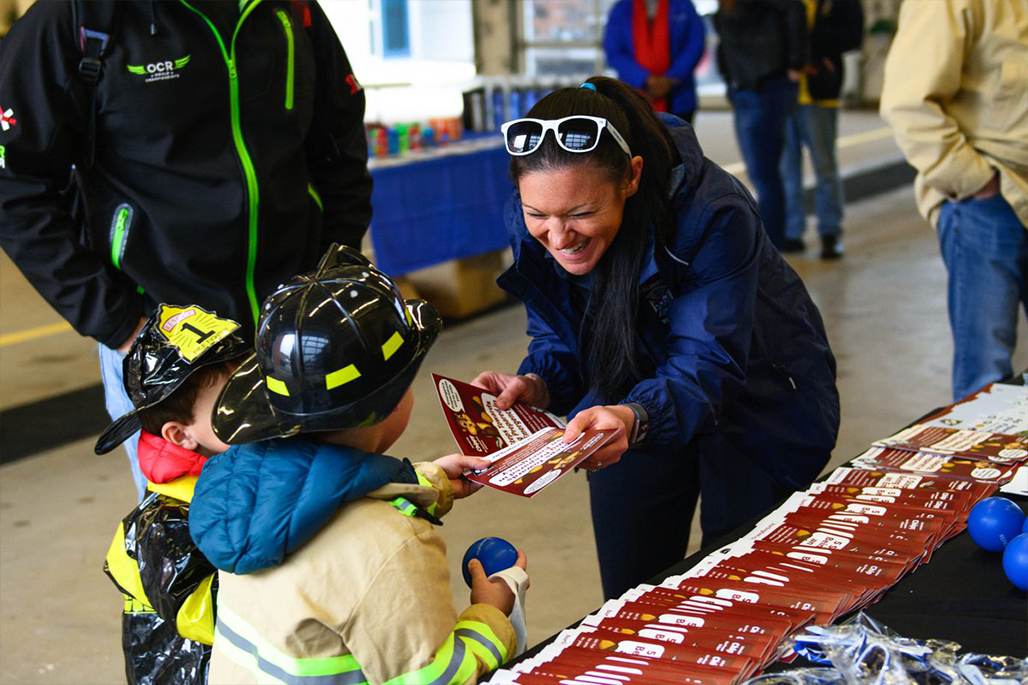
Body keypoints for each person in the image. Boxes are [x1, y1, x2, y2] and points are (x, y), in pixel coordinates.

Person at [477, 77, 839, 599]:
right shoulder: (540, 204)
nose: (558, 237)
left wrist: (634, 417)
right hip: (629, 401)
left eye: (581, 214)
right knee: (633, 597)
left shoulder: (712, 213)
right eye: (539, 215)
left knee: (737, 589)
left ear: (632, 177)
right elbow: (560, 327)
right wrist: (539, 381)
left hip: (755, 400)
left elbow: (706, 360)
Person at [0, 0, 372, 498]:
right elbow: (13, 184)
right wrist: (122, 323)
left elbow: (338, 136)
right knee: (204, 541)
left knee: (332, 519)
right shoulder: (80, 18)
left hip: (298, 333)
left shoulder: (292, 8)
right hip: (168, 345)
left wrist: (334, 270)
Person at [188, 246, 529, 685]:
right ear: (389, 402)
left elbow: (314, 490)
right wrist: (491, 611)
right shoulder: (392, 547)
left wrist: (427, 484)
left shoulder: (245, 497)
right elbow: (439, 678)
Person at [880, 0, 1028, 402]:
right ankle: (985, 464)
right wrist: (976, 182)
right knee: (987, 378)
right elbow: (907, 104)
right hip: (989, 202)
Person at [97, 305, 250, 685]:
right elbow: (231, 623)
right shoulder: (164, 526)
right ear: (180, 435)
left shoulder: (243, 461)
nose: (257, 405)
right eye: (233, 400)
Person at [714, 0, 808, 248]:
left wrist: (795, 62)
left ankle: (771, 244)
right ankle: (771, 242)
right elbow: (725, 41)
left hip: (766, 86)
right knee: (761, 173)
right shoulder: (728, 10)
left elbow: (793, 9)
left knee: (765, 174)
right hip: (745, 87)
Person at [780, 0, 864, 259]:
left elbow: (852, 35)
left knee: (825, 166)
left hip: (820, 91)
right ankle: (792, 231)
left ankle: (830, 232)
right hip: (784, 91)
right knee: (786, 167)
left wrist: (809, 52)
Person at [602, 0, 707, 124]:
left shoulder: (683, 5)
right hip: (634, 98)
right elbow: (614, 52)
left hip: (678, 96)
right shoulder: (622, 8)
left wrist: (670, 79)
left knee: (678, 142)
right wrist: (645, 79)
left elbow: (695, 45)